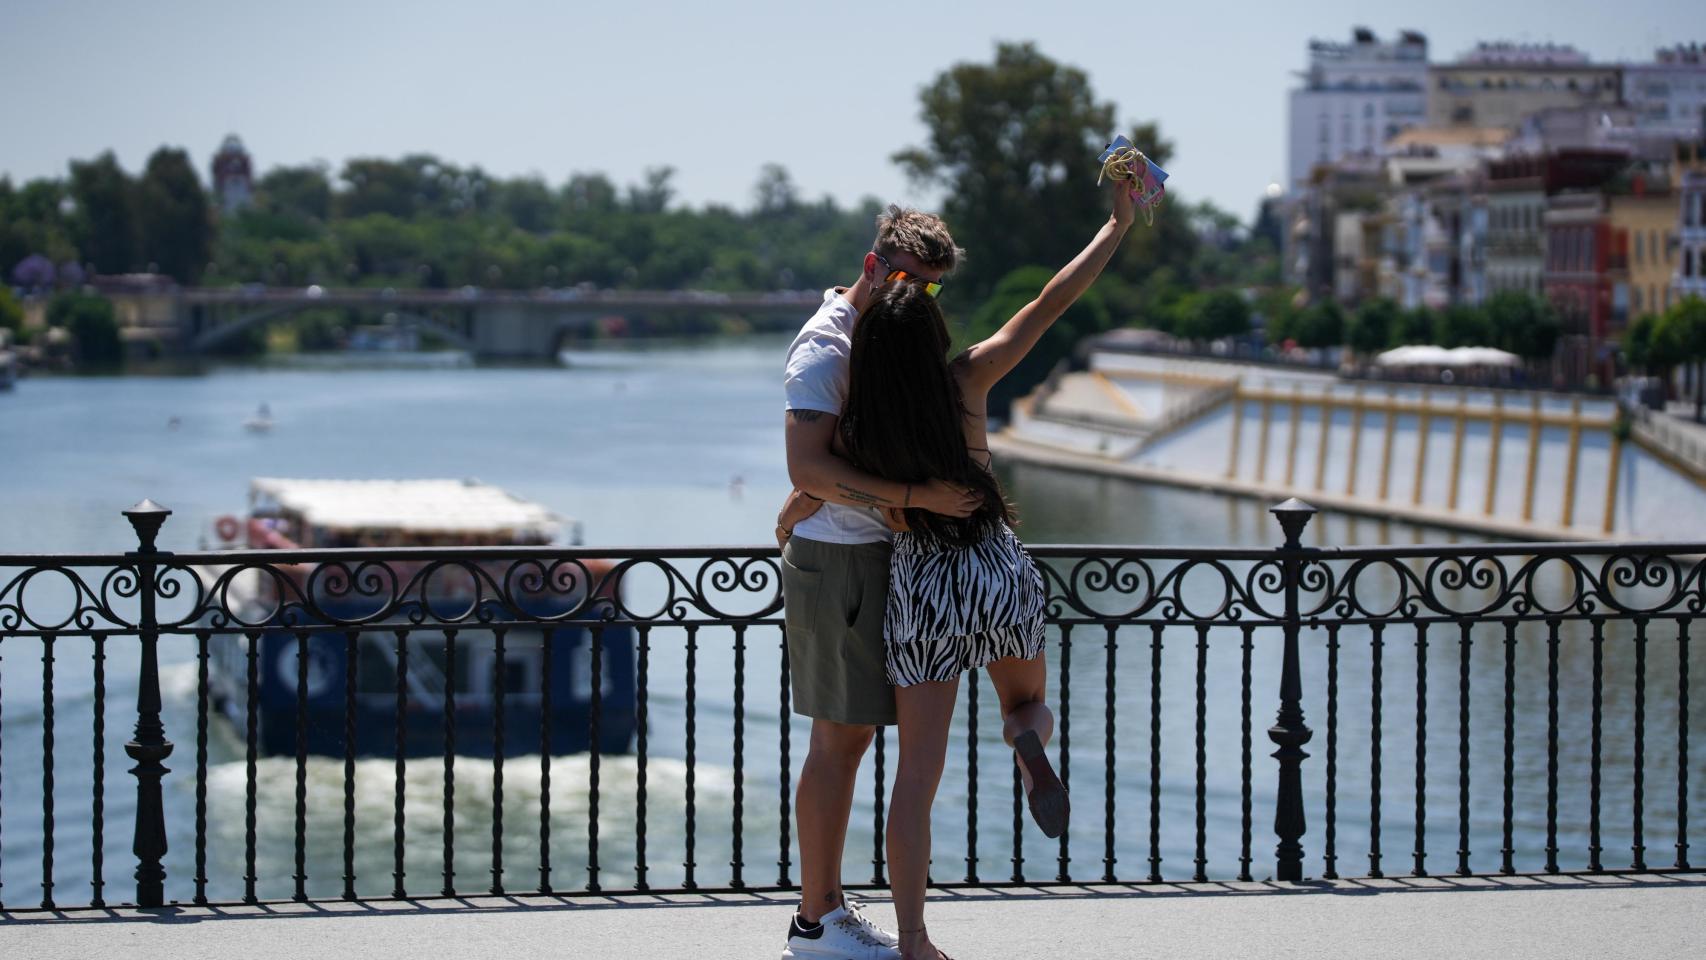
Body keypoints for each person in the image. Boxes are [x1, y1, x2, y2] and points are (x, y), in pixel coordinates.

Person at [793, 180, 1136, 960]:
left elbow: (816, 471)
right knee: (1028, 702)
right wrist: (1115, 224)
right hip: (994, 564)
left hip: (921, 584)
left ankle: (914, 939)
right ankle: (1026, 738)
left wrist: (793, 507)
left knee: (916, 775)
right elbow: (1052, 300)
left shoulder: (858, 416)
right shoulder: (970, 378)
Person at [777, 206, 981, 960]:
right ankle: (814, 919)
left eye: (928, 290)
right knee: (839, 740)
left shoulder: (880, 338)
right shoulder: (825, 348)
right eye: (901, 278)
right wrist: (916, 500)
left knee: (851, 740)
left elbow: (831, 468)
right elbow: (809, 468)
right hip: (839, 562)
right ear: (871, 266)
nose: (912, 296)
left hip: (870, 557)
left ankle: (824, 909)